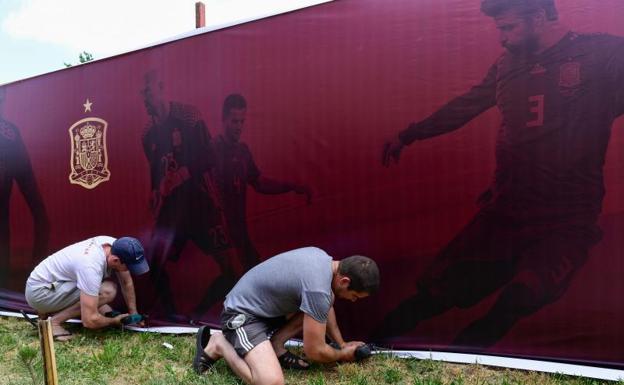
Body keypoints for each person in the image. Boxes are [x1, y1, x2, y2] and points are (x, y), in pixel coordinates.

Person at [378, 0, 624, 349]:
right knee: (437, 292)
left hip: (567, 214)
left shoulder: (603, 53)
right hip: (507, 209)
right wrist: (408, 133)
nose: (502, 37)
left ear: (538, 17)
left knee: (521, 297)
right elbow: (466, 105)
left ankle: (470, 359)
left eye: (508, 27)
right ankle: (372, 344)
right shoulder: (507, 65)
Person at [192, 94, 313, 319]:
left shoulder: (243, 151)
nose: (238, 126)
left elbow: (259, 183)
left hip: (240, 229)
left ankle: (199, 314)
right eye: (234, 121)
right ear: (223, 120)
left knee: (247, 273)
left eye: (242, 121)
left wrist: (292, 186)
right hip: (219, 227)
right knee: (236, 274)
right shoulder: (212, 149)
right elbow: (197, 186)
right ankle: (233, 321)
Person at [192, 247, 379, 385]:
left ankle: (275, 344)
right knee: (271, 382)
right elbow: (314, 350)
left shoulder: (322, 259)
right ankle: (220, 344)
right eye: (354, 296)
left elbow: (323, 308)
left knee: (323, 302)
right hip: (241, 314)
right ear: (344, 281)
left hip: (266, 310)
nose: (353, 301)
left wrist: (342, 344)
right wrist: (341, 354)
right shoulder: (318, 289)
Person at [140, 70, 240, 321]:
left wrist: (184, 174)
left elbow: (210, 157)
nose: (145, 98)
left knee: (230, 268)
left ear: (162, 89)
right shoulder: (147, 133)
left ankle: (200, 313)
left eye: (148, 92)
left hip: (199, 201)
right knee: (151, 264)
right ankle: (172, 317)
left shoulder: (189, 116)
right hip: (171, 208)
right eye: (143, 93)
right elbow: (155, 168)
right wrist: (155, 191)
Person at [25, 236, 148, 341]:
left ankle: (46, 311)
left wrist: (133, 312)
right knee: (107, 291)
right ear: (115, 260)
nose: (130, 270)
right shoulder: (90, 265)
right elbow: (89, 321)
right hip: (39, 293)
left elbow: (126, 282)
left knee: (94, 290)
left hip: (52, 283)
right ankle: (53, 323)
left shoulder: (116, 245)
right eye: (129, 267)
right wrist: (114, 321)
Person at [0, 86, 50, 288]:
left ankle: (36, 273)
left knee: (39, 215)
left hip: (12, 169)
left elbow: (24, 168)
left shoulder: (10, 131)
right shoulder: (9, 131)